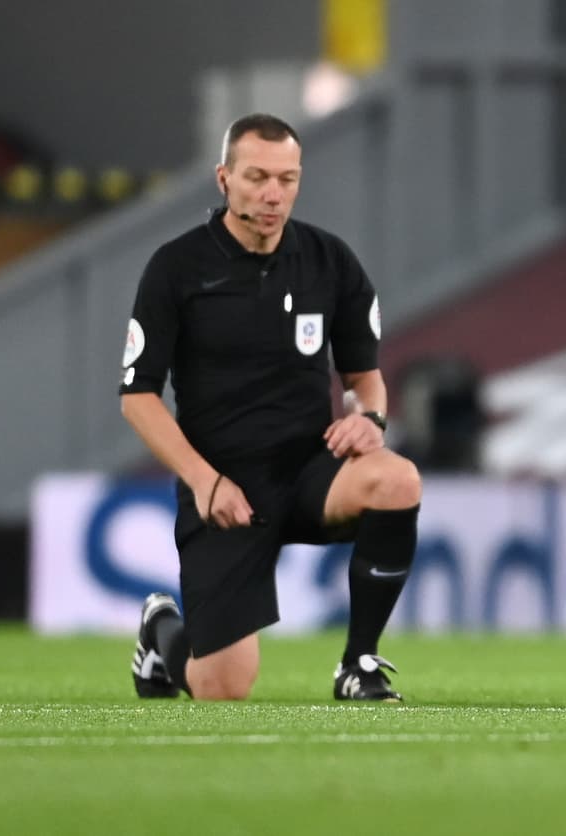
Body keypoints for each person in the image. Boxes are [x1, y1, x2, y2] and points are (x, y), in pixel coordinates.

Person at [119, 113, 421, 701]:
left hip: (310, 470)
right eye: (257, 177)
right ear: (224, 178)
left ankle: (358, 664)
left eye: (287, 179)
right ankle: (163, 634)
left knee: (397, 479)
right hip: (225, 486)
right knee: (224, 688)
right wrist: (204, 482)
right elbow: (138, 398)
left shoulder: (330, 261)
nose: (272, 193)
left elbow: (364, 378)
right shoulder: (176, 268)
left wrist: (369, 419)